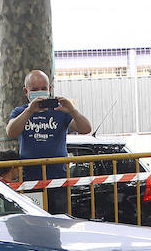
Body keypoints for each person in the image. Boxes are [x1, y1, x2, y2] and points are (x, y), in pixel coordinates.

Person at [5, 69, 92, 212]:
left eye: (43, 88)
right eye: (34, 89)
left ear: (50, 89)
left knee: (59, 222)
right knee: (33, 224)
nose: (40, 92)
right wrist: (29, 111)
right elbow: (11, 132)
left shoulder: (60, 111)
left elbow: (85, 128)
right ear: (26, 91)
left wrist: (72, 111)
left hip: (58, 180)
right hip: (30, 181)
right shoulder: (20, 112)